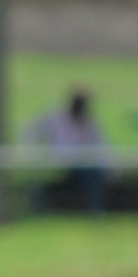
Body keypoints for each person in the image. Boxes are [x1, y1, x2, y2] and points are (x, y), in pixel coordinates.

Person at [34, 86, 111, 214]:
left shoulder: (89, 123)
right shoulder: (57, 119)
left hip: (81, 165)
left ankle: (94, 210)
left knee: (95, 176)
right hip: (61, 163)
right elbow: (33, 130)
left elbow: (100, 145)